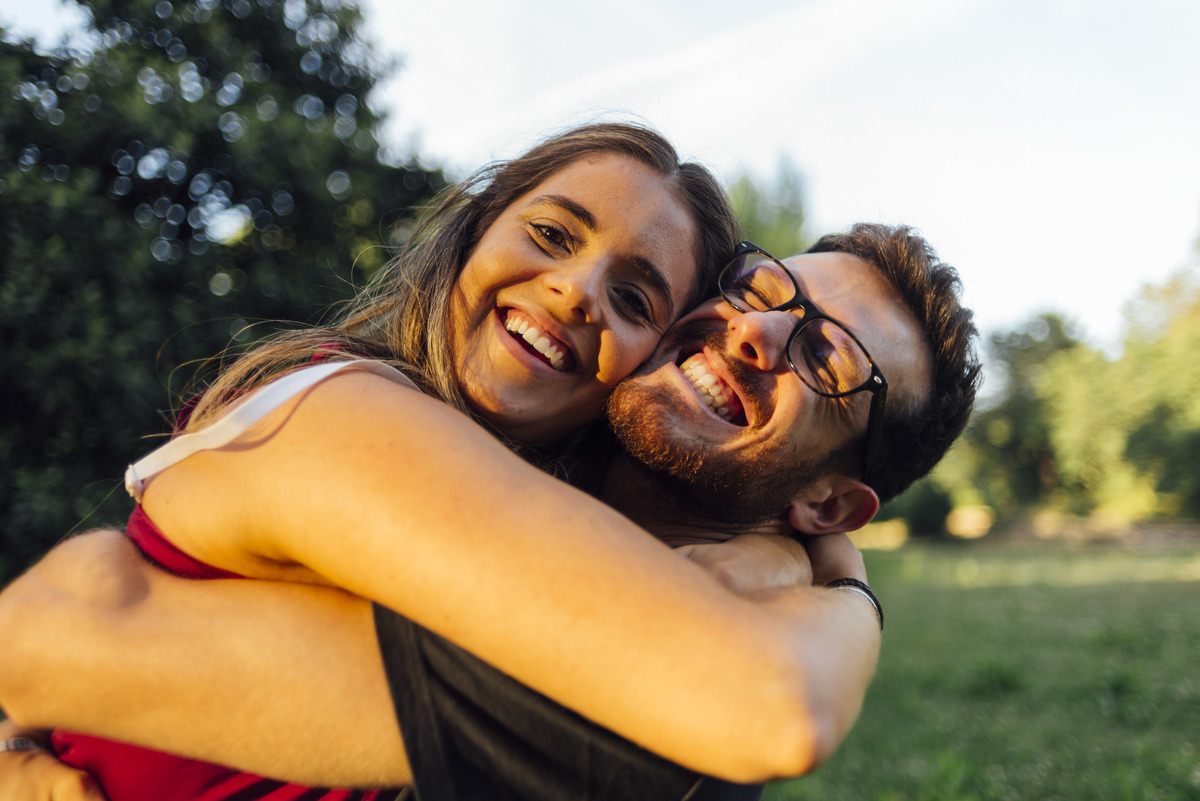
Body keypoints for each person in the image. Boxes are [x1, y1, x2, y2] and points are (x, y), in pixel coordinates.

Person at [0, 224, 982, 800]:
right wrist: (843, 592)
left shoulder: (716, 646)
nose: (761, 330)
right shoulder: (357, 426)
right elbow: (55, 627)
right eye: (764, 287)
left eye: (829, 361)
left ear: (827, 501)